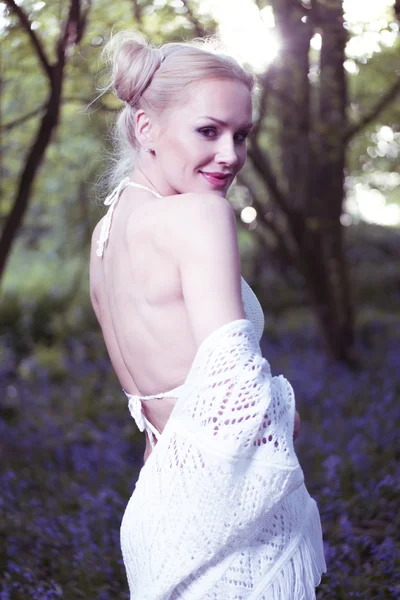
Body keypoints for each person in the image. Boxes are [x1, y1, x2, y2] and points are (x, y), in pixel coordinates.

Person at [90, 31, 326, 600]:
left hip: (161, 514)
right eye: (208, 131)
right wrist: (288, 415)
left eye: (241, 135)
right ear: (145, 126)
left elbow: (154, 408)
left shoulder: (105, 233)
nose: (230, 155)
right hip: (228, 529)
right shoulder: (200, 217)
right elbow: (242, 402)